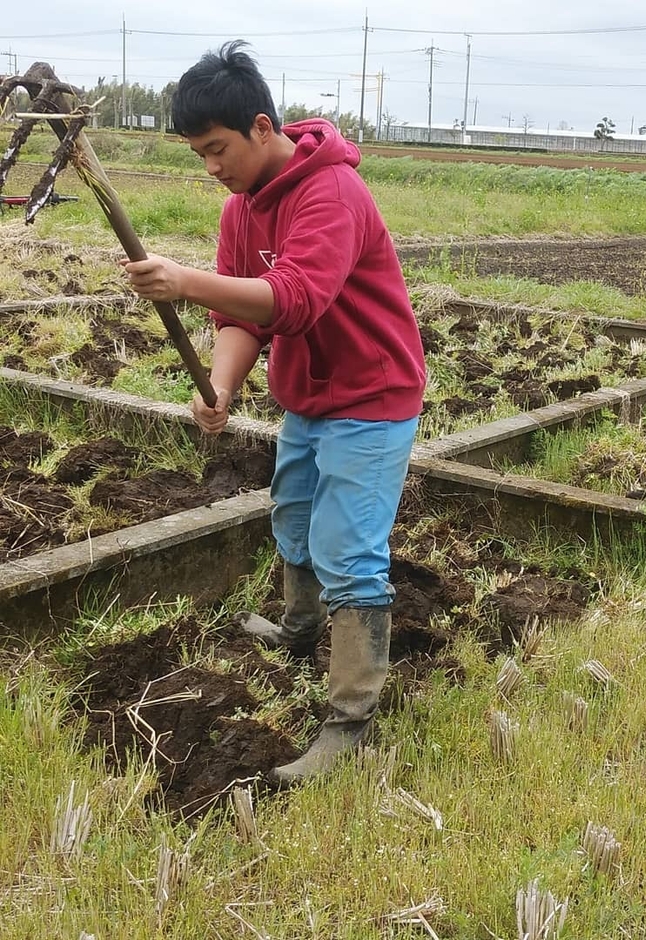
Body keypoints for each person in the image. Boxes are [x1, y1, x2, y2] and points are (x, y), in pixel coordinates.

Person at [123, 41, 426, 784]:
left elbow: (294, 298)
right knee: (292, 512)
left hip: (373, 395)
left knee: (350, 551)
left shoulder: (333, 195)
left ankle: (349, 724)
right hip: (309, 396)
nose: (211, 168)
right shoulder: (241, 210)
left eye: (217, 148)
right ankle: (298, 627)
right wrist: (223, 384)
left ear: (263, 126)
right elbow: (247, 321)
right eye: (198, 154)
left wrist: (185, 281)